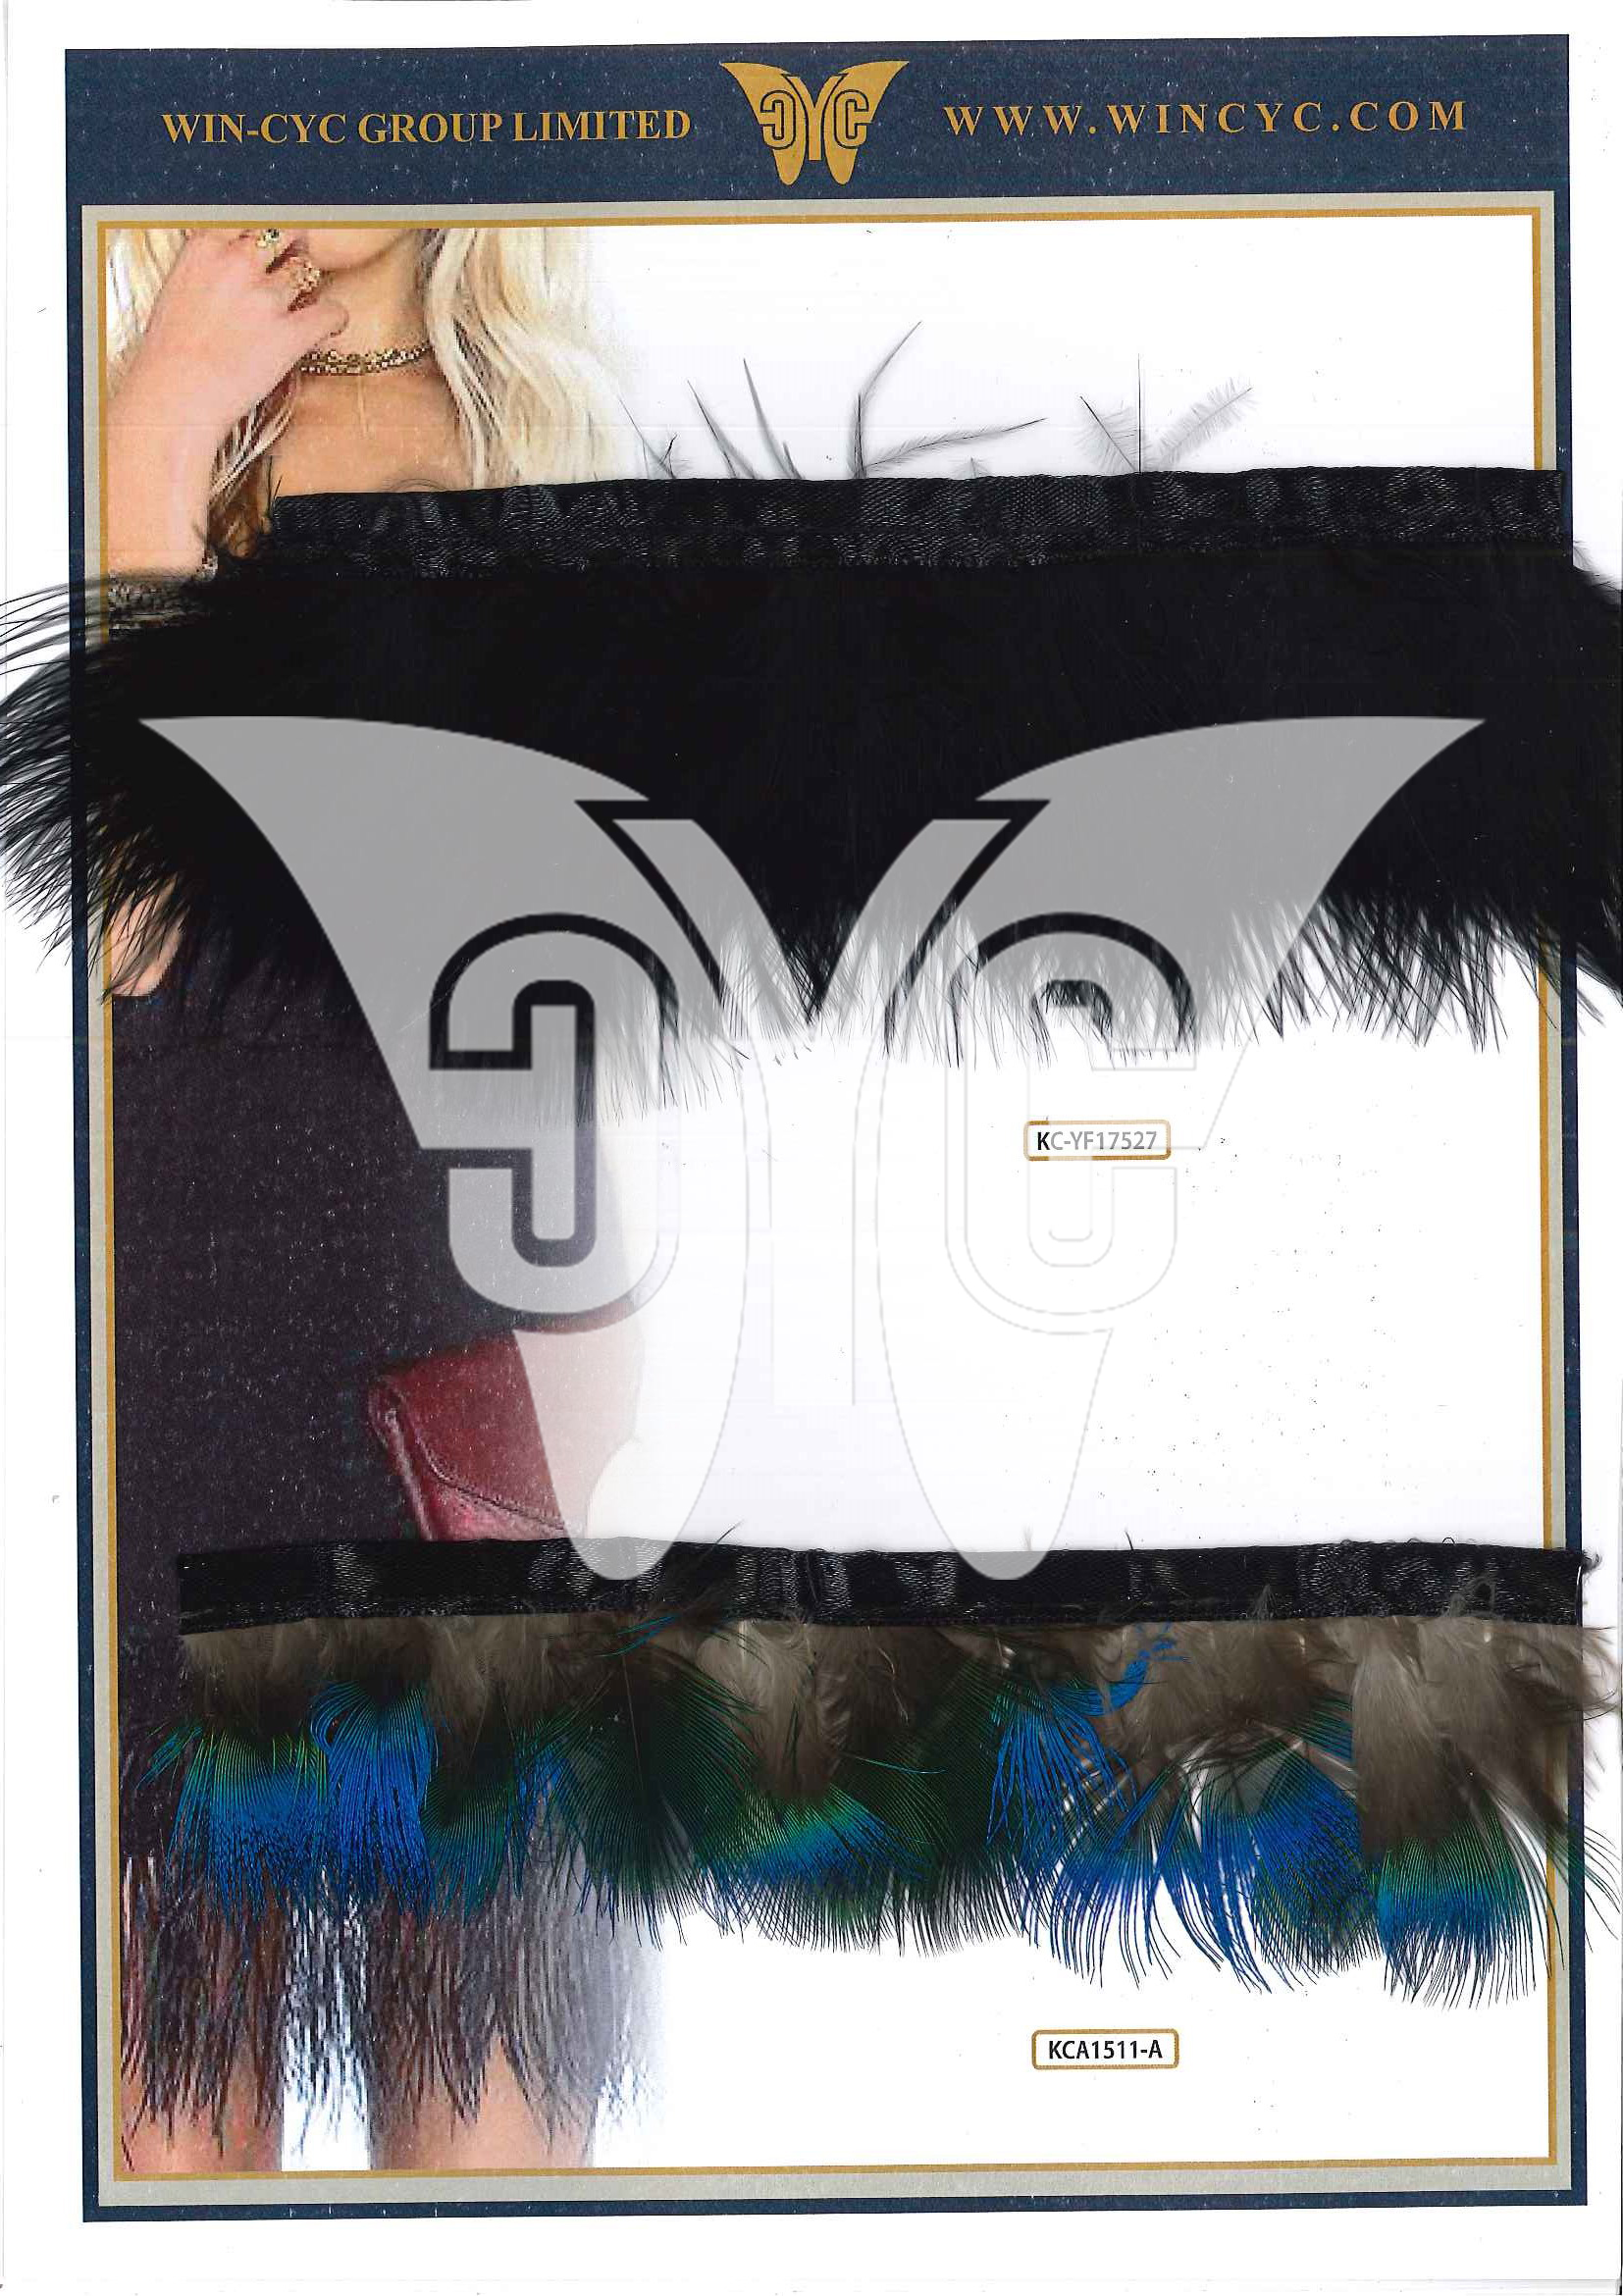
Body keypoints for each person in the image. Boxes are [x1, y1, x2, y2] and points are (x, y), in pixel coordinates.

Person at [100, 225, 639, 2176]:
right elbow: (125, 927)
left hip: (480, 1320)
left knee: (494, 2132)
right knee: (174, 2140)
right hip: (174, 1327)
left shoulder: (549, 440)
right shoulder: (105, 417)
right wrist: (160, 422)